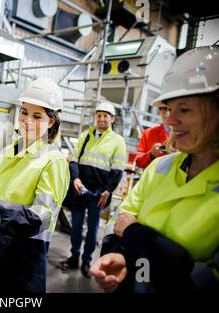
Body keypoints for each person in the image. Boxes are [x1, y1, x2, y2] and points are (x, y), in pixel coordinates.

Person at [90, 46, 219, 293]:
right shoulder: (162, 166)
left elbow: (197, 282)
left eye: (185, 109)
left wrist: (135, 233)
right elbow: (120, 222)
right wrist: (127, 261)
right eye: (169, 109)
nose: (170, 121)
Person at [0, 78, 70, 293]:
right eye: (24, 112)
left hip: (24, 252)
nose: (27, 120)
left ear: (51, 122)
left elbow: (43, 215)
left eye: (37, 116)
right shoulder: (7, 151)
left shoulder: (53, 160)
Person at [61, 101, 127, 278]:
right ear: (95, 117)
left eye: (106, 115)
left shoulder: (117, 141)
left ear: (112, 119)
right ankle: (74, 257)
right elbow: (73, 159)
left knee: (92, 228)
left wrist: (108, 190)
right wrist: (75, 178)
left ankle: (87, 260)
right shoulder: (86, 136)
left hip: (99, 194)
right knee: (76, 227)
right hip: (79, 189)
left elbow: (118, 169)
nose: (102, 119)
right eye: (99, 115)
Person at [135, 103, 170, 169]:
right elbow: (138, 162)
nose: (167, 113)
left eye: (169, 109)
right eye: (163, 109)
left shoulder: (185, 134)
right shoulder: (148, 133)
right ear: (160, 112)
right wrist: (151, 154)